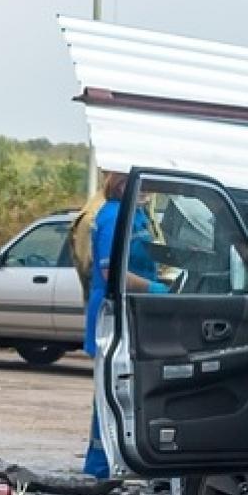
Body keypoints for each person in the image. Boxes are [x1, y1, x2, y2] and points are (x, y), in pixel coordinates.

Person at [82, 172, 168, 478]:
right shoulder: (113, 217)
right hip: (113, 311)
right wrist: (156, 289)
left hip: (132, 309)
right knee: (111, 390)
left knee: (127, 388)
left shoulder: (137, 214)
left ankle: (117, 462)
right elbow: (111, 272)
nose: (150, 191)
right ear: (123, 184)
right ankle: (99, 467)